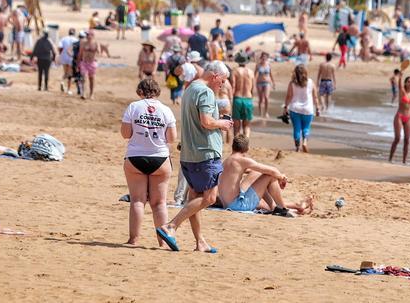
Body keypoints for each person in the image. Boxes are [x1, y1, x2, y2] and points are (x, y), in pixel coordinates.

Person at [156, 61, 233, 253]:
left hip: (189, 153)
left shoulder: (190, 88)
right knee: (209, 198)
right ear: (215, 76)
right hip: (204, 152)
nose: (222, 85)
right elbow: (206, 122)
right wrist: (222, 124)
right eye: (222, 81)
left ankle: (200, 242)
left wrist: (216, 122)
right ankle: (171, 226)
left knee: (194, 197)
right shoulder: (206, 92)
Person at [120, 79, 176, 246]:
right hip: (159, 158)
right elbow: (171, 138)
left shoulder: (134, 107)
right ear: (157, 92)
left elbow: (125, 134)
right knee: (159, 203)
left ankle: (133, 239)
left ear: (140, 92)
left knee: (137, 201)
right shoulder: (166, 110)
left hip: (136, 157)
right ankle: (163, 242)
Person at [217, 135, 313, 216]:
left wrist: (277, 176)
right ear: (247, 149)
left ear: (233, 147)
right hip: (237, 205)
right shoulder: (243, 160)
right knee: (269, 176)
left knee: (258, 172)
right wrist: (282, 177)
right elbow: (272, 171)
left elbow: (257, 170)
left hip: (228, 203)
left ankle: (278, 207)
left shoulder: (227, 161)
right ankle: (282, 208)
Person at [284, 64, 320, 152]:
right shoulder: (310, 82)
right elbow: (315, 97)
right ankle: (304, 142)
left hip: (295, 109)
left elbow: (289, 96)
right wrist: (318, 108)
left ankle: (297, 147)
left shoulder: (292, 83)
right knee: (306, 128)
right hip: (308, 109)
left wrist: (285, 107)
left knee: (296, 128)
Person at [389, 72, 410, 164]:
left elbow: (408, 105)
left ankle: (404, 162)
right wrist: (400, 77)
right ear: (405, 83)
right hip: (399, 116)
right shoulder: (402, 91)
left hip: (408, 117)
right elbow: (399, 86)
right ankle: (390, 159)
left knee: (407, 140)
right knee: (397, 138)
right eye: (408, 82)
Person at [231, 53, 255, 139]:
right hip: (248, 99)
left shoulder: (235, 71)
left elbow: (233, 86)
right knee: (247, 126)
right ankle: (246, 145)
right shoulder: (251, 72)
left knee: (236, 127)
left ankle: (237, 146)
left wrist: (231, 99)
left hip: (237, 98)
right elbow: (253, 88)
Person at [77, 30, 99, 100]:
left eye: (89, 35)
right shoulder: (83, 43)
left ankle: (92, 94)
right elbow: (80, 53)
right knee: (84, 77)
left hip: (92, 63)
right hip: (84, 62)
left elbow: (99, 52)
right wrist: (77, 63)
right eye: (87, 35)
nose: (88, 36)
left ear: (93, 35)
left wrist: (96, 56)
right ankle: (84, 93)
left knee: (91, 78)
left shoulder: (96, 43)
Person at [255, 52, 275, 118]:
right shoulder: (258, 65)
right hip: (259, 83)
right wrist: (253, 84)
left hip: (267, 83)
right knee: (260, 99)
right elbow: (255, 76)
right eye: (263, 56)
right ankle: (260, 112)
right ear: (261, 57)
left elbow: (271, 74)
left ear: (266, 58)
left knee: (266, 97)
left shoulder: (268, 64)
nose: (264, 58)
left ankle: (266, 112)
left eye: (265, 57)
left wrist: (273, 83)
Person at [58, 28, 77, 94]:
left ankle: (62, 81)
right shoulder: (76, 40)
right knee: (70, 74)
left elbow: (60, 47)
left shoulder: (63, 39)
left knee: (66, 72)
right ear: (74, 33)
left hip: (64, 57)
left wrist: (60, 55)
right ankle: (68, 89)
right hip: (71, 57)